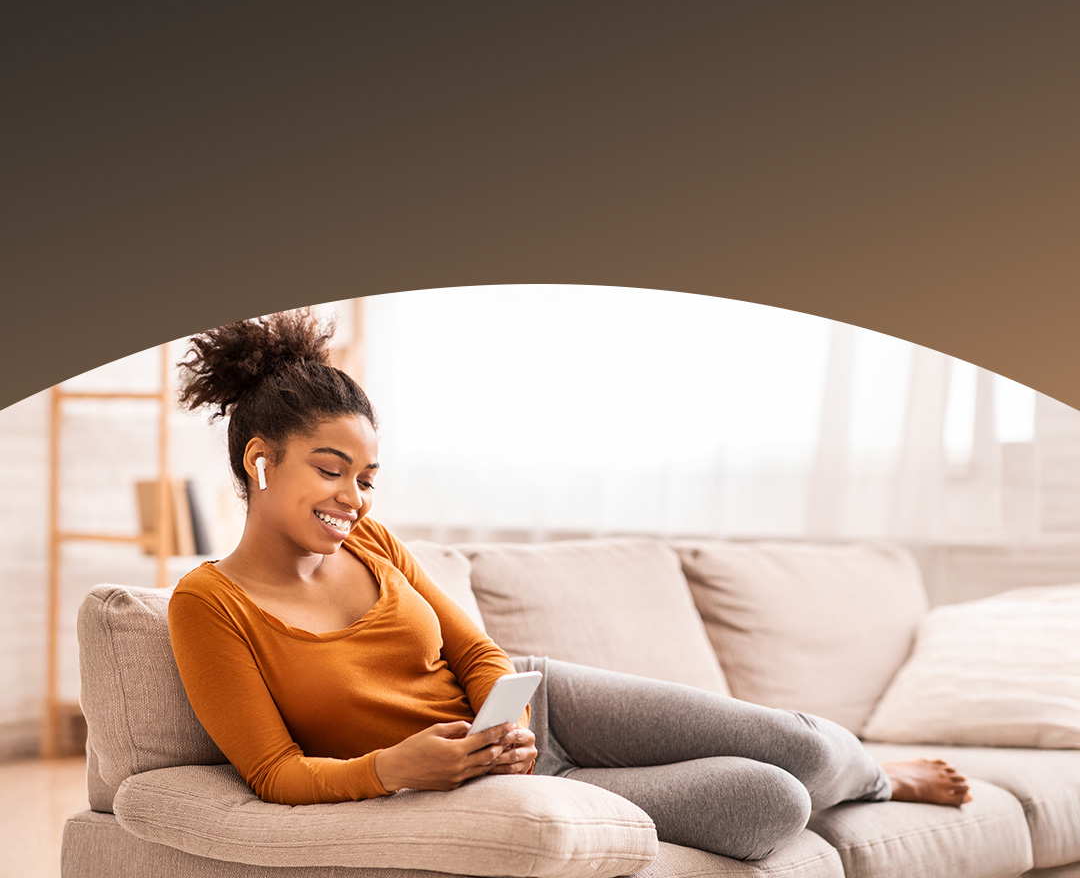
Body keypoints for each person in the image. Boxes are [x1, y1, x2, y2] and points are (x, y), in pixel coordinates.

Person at [168, 310, 972, 863]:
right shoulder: (209, 604)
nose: (355, 499)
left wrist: (512, 717)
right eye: (331, 470)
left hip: (541, 706)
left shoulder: (372, 542)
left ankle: (879, 777)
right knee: (769, 804)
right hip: (472, 784)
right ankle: (839, 785)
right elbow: (273, 773)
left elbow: (475, 650)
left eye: (367, 478)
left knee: (802, 747)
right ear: (260, 461)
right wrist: (396, 769)